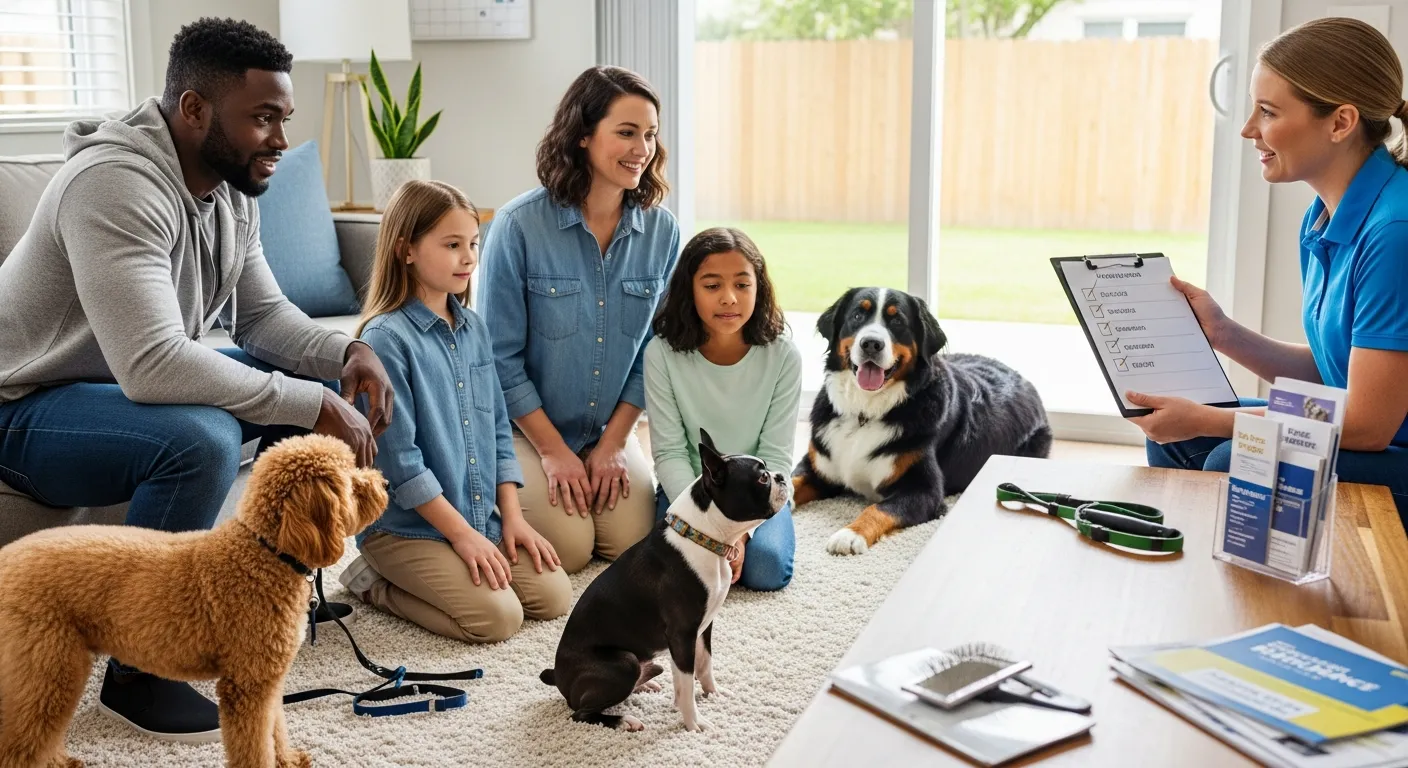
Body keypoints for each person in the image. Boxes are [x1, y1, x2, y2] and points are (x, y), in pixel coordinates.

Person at [0, 18, 392, 741]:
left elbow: (264, 318)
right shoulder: (113, 184)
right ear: (194, 110)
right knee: (202, 439)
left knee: (297, 389)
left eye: (284, 118)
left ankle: (282, 586)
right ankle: (139, 672)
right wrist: (310, 402)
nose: (279, 138)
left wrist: (344, 358)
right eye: (263, 118)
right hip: (23, 405)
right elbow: (151, 364)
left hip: (105, 389)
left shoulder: (231, 187)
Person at [1130, 17, 1408, 523]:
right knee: (1183, 442)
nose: (1248, 129)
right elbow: (1334, 375)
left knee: (1234, 456)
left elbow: (1368, 424)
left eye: (1268, 111)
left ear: (1341, 122)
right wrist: (1223, 333)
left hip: (1396, 457)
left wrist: (1216, 421)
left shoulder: (1394, 232)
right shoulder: (1323, 217)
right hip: (1374, 439)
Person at [338, 180, 571, 643]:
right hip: (408, 529)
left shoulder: (475, 329)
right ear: (406, 249)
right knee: (497, 619)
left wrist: (513, 520)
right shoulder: (385, 340)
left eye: (473, 244)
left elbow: (499, 431)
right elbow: (402, 466)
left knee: (552, 597)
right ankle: (370, 582)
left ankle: (472, 543)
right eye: (452, 245)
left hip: (479, 513)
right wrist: (463, 537)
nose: (469, 258)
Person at [478, 66, 681, 574]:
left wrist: (616, 443)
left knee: (629, 546)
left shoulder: (662, 231)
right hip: (526, 431)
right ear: (584, 136)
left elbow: (657, 350)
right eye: (627, 132)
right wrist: (553, 451)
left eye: (651, 134)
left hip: (608, 430)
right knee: (568, 550)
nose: (642, 148)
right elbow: (498, 359)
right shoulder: (518, 225)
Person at [644, 227, 801, 590]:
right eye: (712, 286)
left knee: (766, 569)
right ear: (690, 290)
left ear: (758, 287)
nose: (729, 298)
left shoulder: (783, 356)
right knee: (678, 574)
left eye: (742, 285)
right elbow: (668, 452)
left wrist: (739, 537)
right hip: (692, 492)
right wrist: (712, 531)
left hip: (761, 491)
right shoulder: (662, 354)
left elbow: (776, 454)